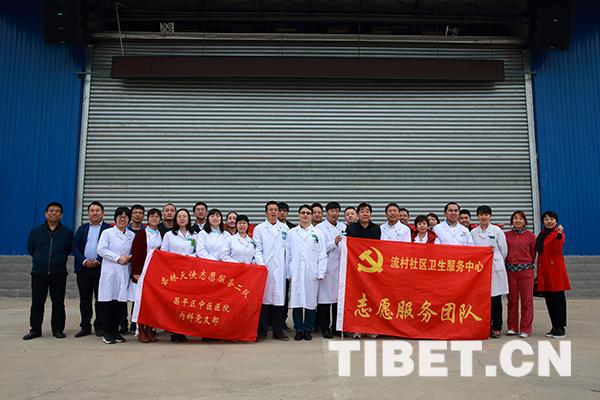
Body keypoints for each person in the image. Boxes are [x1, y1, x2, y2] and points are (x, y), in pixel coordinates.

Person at [23, 202, 74, 340]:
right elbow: (31, 249)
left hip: (59, 273)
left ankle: (58, 330)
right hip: (39, 272)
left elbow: (68, 250)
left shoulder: (67, 233)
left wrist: (58, 260)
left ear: (61, 215)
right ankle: (35, 330)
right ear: (46, 214)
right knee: (37, 303)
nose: (54, 213)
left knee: (58, 303)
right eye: (51, 211)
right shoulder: (36, 231)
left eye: (57, 211)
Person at [286, 205, 327, 341]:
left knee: (310, 301)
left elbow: (322, 254)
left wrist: (320, 272)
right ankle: (299, 329)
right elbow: (288, 254)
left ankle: (308, 329)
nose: (305, 215)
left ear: (311, 216)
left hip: (311, 272)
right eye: (303, 212)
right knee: (296, 301)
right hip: (296, 271)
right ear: (299, 215)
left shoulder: (318, 233)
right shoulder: (292, 233)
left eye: (308, 213)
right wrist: (289, 273)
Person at [71, 201, 111, 338]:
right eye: (92, 210)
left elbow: (111, 248)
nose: (95, 213)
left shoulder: (108, 229)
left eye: (97, 210)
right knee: (85, 299)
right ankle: (85, 326)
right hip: (84, 269)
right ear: (88, 213)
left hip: (101, 269)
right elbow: (74, 247)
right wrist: (84, 261)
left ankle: (99, 325)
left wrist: (98, 260)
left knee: (101, 299)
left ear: (103, 213)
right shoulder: (82, 229)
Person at [97, 207, 135, 344]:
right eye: (120, 216)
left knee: (120, 304)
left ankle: (116, 332)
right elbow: (101, 249)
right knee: (108, 303)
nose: (122, 219)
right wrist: (117, 258)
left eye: (125, 217)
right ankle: (107, 333)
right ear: (115, 218)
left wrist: (129, 258)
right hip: (110, 272)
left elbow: (134, 251)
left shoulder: (131, 235)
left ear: (129, 220)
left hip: (124, 272)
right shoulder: (107, 233)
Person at [253, 201, 290, 341]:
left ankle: (278, 331)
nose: (274, 212)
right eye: (271, 209)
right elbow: (257, 249)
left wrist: (288, 270)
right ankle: (262, 331)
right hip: (265, 268)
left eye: (275, 209)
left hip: (281, 269)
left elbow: (288, 250)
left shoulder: (285, 228)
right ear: (266, 212)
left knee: (279, 300)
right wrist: (262, 266)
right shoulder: (259, 229)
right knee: (264, 300)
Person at [470, 205, 508, 338]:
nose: (484, 217)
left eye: (486, 215)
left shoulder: (497, 230)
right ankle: (484, 325)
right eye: (481, 215)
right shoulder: (473, 232)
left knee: (495, 298)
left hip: (495, 266)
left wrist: (497, 260)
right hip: (480, 269)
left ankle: (497, 326)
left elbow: (504, 250)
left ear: (490, 216)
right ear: (478, 216)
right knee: (482, 299)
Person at [160, 208, 197, 342]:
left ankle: (185, 330)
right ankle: (174, 332)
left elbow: (198, 251)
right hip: (174, 272)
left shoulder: (195, 235)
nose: (182, 219)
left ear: (188, 219)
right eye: (179, 216)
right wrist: (177, 259)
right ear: (176, 219)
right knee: (175, 303)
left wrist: (189, 257)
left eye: (184, 216)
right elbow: (163, 252)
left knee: (187, 303)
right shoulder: (169, 235)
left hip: (189, 273)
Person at [346, 202, 381, 340]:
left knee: (372, 298)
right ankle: (357, 328)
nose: (365, 213)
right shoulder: (351, 228)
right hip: (355, 269)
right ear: (358, 214)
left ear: (371, 214)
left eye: (367, 211)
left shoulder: (376, 228)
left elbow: (380, 248)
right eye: (362, 211)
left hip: (372, 270)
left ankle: (371, 328)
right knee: (357, 299)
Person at [130, 208, 163, 343]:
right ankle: (141, 330)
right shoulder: (142, 234)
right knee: (141, 302)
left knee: (152, 302)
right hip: (142, 272)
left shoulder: (160, 234)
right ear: (147, 218)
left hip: (155, 272)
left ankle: (149, 329)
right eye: (152, 216)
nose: (154, 219)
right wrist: (136, 272)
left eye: (157, 217)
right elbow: (136, 254)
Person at [536, 211, 570, 339]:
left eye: (552, 219)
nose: (549, 221)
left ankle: (561, 327)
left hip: (555, 272)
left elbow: (558, 248)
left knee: (558, 301)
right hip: (545, 272)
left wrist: (560, 235)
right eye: (546, 219)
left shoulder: (557, 234)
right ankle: (554, 326)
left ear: (556, 221)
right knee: (550, 301)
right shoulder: (542, 234)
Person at [315, 202, 346, 338]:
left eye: (337, 211)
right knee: (325, 300)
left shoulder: (343, 226)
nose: (334, 213)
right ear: (326, 213)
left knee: (338, 300)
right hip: (326, 267)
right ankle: (325, 328)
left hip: (340, 267)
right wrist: (334, 242)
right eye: (332, 211)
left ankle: (336, 327)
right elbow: (319, 248)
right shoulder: (319, 228)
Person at [505, 210, 536, 339]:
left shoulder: (531, 236)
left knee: (526, 301)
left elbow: (533, 254)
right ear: (512, 221)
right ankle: (512, 327)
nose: (518, 221)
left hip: (526, 271)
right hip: (510, 271)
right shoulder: (506, 235)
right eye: (515, 218)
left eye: (521, 218)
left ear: (525, 221)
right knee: (512, 300)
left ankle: (525, 328)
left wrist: (526, 264)